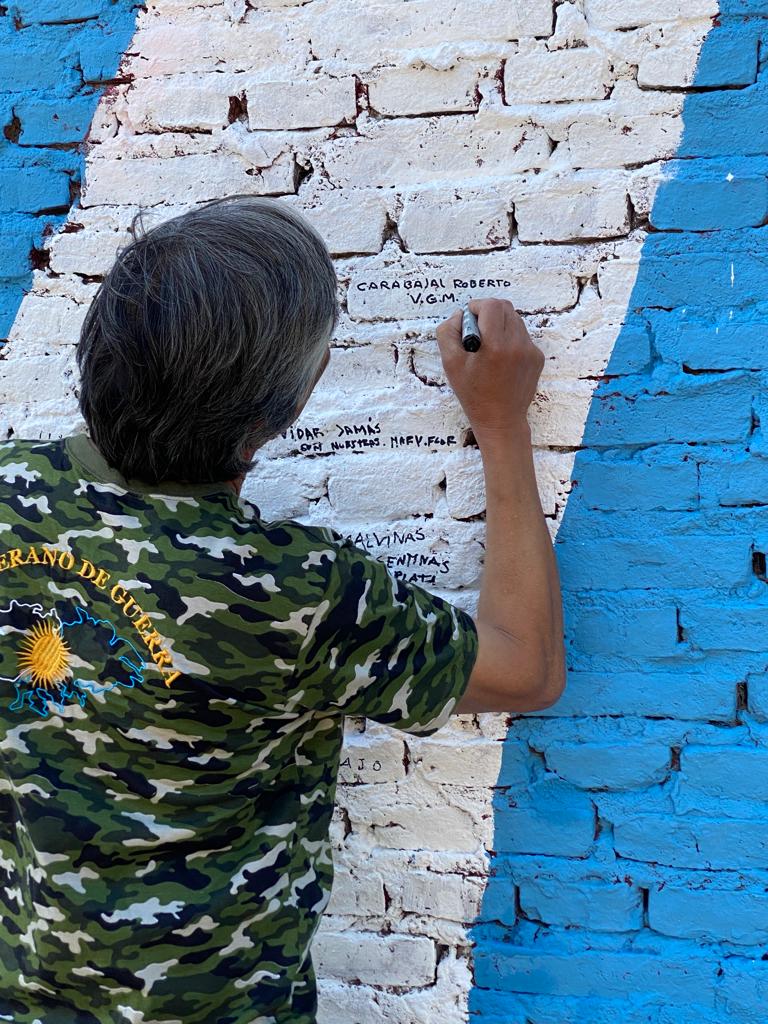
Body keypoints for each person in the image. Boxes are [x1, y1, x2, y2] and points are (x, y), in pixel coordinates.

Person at [0, 194, 565, 1024]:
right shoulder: (298, 595)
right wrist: (502, 423)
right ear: (280, 416)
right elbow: (526, 668)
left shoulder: (13, 493)